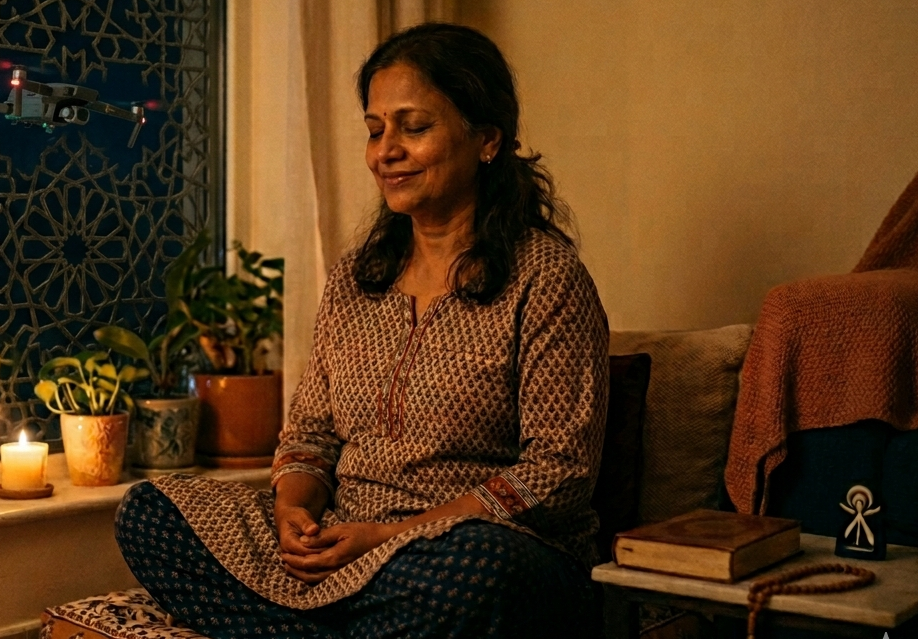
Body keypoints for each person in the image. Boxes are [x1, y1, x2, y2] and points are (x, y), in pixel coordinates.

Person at [115, 22, 609, 638]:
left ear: (486, 139)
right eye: (376, 130)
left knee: (485, 570)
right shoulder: (356, 279)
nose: (386, 151)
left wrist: (389, 536)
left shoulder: (546, 278)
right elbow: (310, 436)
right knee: (152, 511)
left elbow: (556, 473)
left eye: (414, 126)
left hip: (464, 555)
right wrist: (293, 509)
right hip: (347, 545)